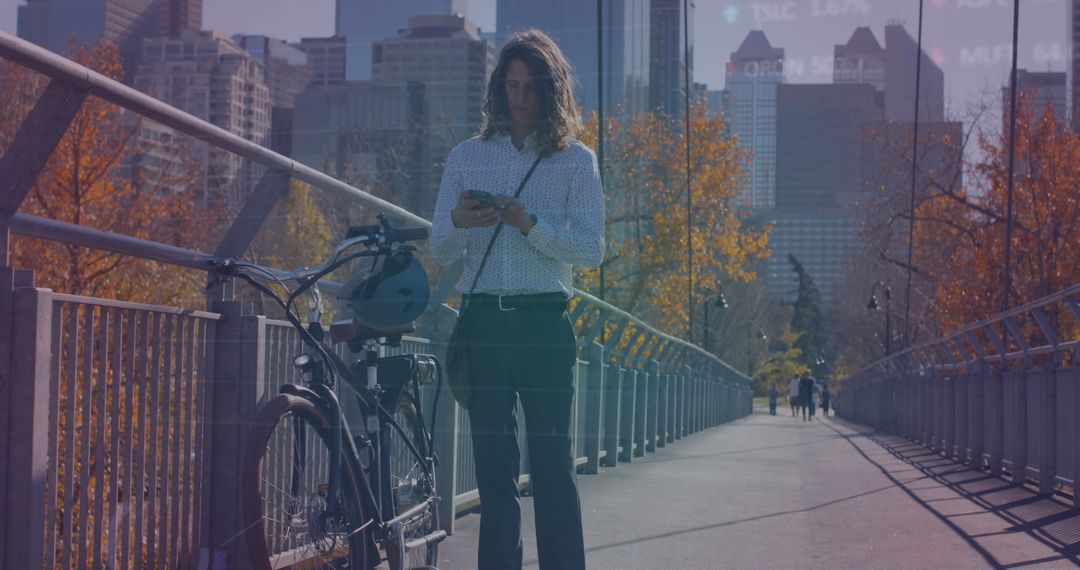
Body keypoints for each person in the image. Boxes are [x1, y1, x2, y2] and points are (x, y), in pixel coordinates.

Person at [430, 29, 603, 570]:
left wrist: (531, 225)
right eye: (511, 85)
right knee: (493, 476)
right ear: (498, 88)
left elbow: (593, 248)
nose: (520, 97)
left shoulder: (577, 161)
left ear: (551, 91)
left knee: (553, 470)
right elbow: (439, 243)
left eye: (530, 86)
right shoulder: (466, 156)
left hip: (544, 327)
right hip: (482, 323)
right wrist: (461, 219)